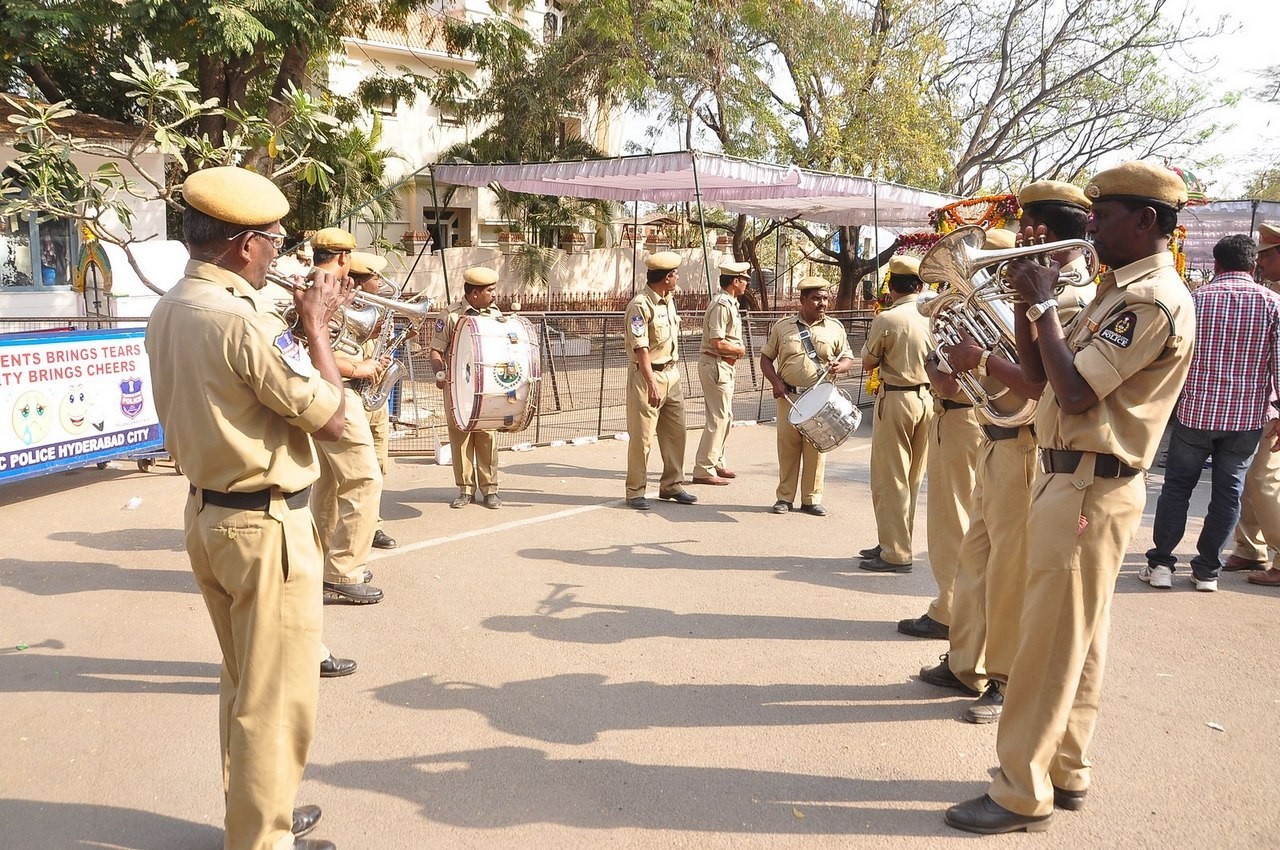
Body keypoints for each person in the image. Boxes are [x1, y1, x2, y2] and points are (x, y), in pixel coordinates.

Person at [944, 161, 1195, 834]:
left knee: (1049, 642)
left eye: (1103, 217)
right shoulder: (1119, 291)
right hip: (1078, 477)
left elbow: (1078, 394)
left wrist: (1047, 304)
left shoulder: (1151, 298)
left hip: (1089, 480)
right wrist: (1031, 305)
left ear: (1146, 221)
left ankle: (1019, 790)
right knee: (1080, 641)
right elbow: (1038, 378)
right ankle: (1066, 768)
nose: (1092, 230)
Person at [144, 166, 342, 850]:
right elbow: (334, 416)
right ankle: (261, 840)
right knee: (274, 700)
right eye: (276, 241)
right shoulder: (243, 322)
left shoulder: (173, 306)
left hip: (209, 515)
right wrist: (316, 326)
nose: (281, 255)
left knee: (241, 685)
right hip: (264, 527)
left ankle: (255, 817)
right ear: (244, 246)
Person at [919, 180, 1094, 723]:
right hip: (995, 445)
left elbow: (1038, 384)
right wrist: (951, 367)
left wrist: (978, 361)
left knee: (1011, 571)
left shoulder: (1069, 295)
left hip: (1025, 447)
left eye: (1027, 228)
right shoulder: (1035, 290)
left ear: (1042, 232)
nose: (1020, 237)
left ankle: (1005, 676)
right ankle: (965, 661)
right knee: (975, 564)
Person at [1140, 235, 1280, 593]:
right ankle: (1206, 572)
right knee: (1228, 494)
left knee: (1176, 490)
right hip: (1245, 421)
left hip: (1194, 416)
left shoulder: (1194, 300)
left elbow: (1170, 357)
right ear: (1252, 266)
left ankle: (1161, 566)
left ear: (1216, 264)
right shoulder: (1272, 305)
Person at [897, 231, 1012, 639]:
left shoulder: (987, 315)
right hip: (987, 424)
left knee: (952, 522)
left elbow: (948, 384)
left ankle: (949, 611)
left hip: (963, 418)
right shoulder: (1008, 313)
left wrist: (934, 368)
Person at [308, 228, 386, 605]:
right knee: (364, 480)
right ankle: (344, 571)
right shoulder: (322, 290)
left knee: (327, 486)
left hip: (325, 395)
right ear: (343, 258)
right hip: (338, 393)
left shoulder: (322, 287)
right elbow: (312, 347)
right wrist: (360, 367)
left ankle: (321, 563)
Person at [858, 256, 935, 569]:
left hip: (897, 399)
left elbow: (868, 360)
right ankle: (895, 540)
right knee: (913, 477)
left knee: (891, 478)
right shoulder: (934, 316)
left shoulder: (888, 319)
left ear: (891, 287)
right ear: (919, 285)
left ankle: (895, 551)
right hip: (929, 399)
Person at [759, 276, 857, 515]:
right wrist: (776, 382)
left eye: (825, 298)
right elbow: (765, 359)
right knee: (788, 447)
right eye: (816, 298)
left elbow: (848, 358)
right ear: (802, 300)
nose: (822, 303)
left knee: (816, 449)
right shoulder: (783, 327)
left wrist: (840, 367)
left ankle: (811, 499)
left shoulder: (835, 327)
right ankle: (784, 497)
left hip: (821, 401)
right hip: (790, 398)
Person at [1227, 223, 1280, 587]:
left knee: (1264, 479)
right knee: (1251, 478)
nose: (1259, 263)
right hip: (1261, 403)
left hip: (1271, 405)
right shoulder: (1273, 292)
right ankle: (1250, 548)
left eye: (1265, 256)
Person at [623, 251, 697, 510]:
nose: (677, 278)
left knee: (676, 433)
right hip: (648, 375)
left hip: (671, 373)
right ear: (666, 278)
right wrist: (651, 382)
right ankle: (635, 491)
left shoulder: (669, 300)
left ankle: (672, 485)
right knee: (642, 437)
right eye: (675, 274)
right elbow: (640, 348)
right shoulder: (640, 305)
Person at [430, 266, 505, 509]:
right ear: (474, 294)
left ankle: (490, 489)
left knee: (487, 435)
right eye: (489, 291)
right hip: (457, 388)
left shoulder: (495, 315)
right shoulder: (451, 316)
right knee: (460, 436)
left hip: (487, 387)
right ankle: (465, 489)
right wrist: (440, 373)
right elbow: (436, 351)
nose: (494, 295)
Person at [348, 251, 398, 549]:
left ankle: (373, 523)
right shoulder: (342, 309)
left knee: (377, 465)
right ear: (359, 282)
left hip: (376, 394)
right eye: (375, 277)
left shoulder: (379, 308)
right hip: (352, 392)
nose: (380, 282)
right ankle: (346, 531)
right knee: (355, 471)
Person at [691, 260, 750, 485]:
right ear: (735, 281)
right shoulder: (721, 305)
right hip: (716, 363)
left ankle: (717, 461)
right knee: (718, 418)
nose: (746, 284)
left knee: (726, 416)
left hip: (724, 366)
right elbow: (717, 342)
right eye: (744, 280)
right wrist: (739, 349)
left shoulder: (731, 303)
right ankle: (704, 467)